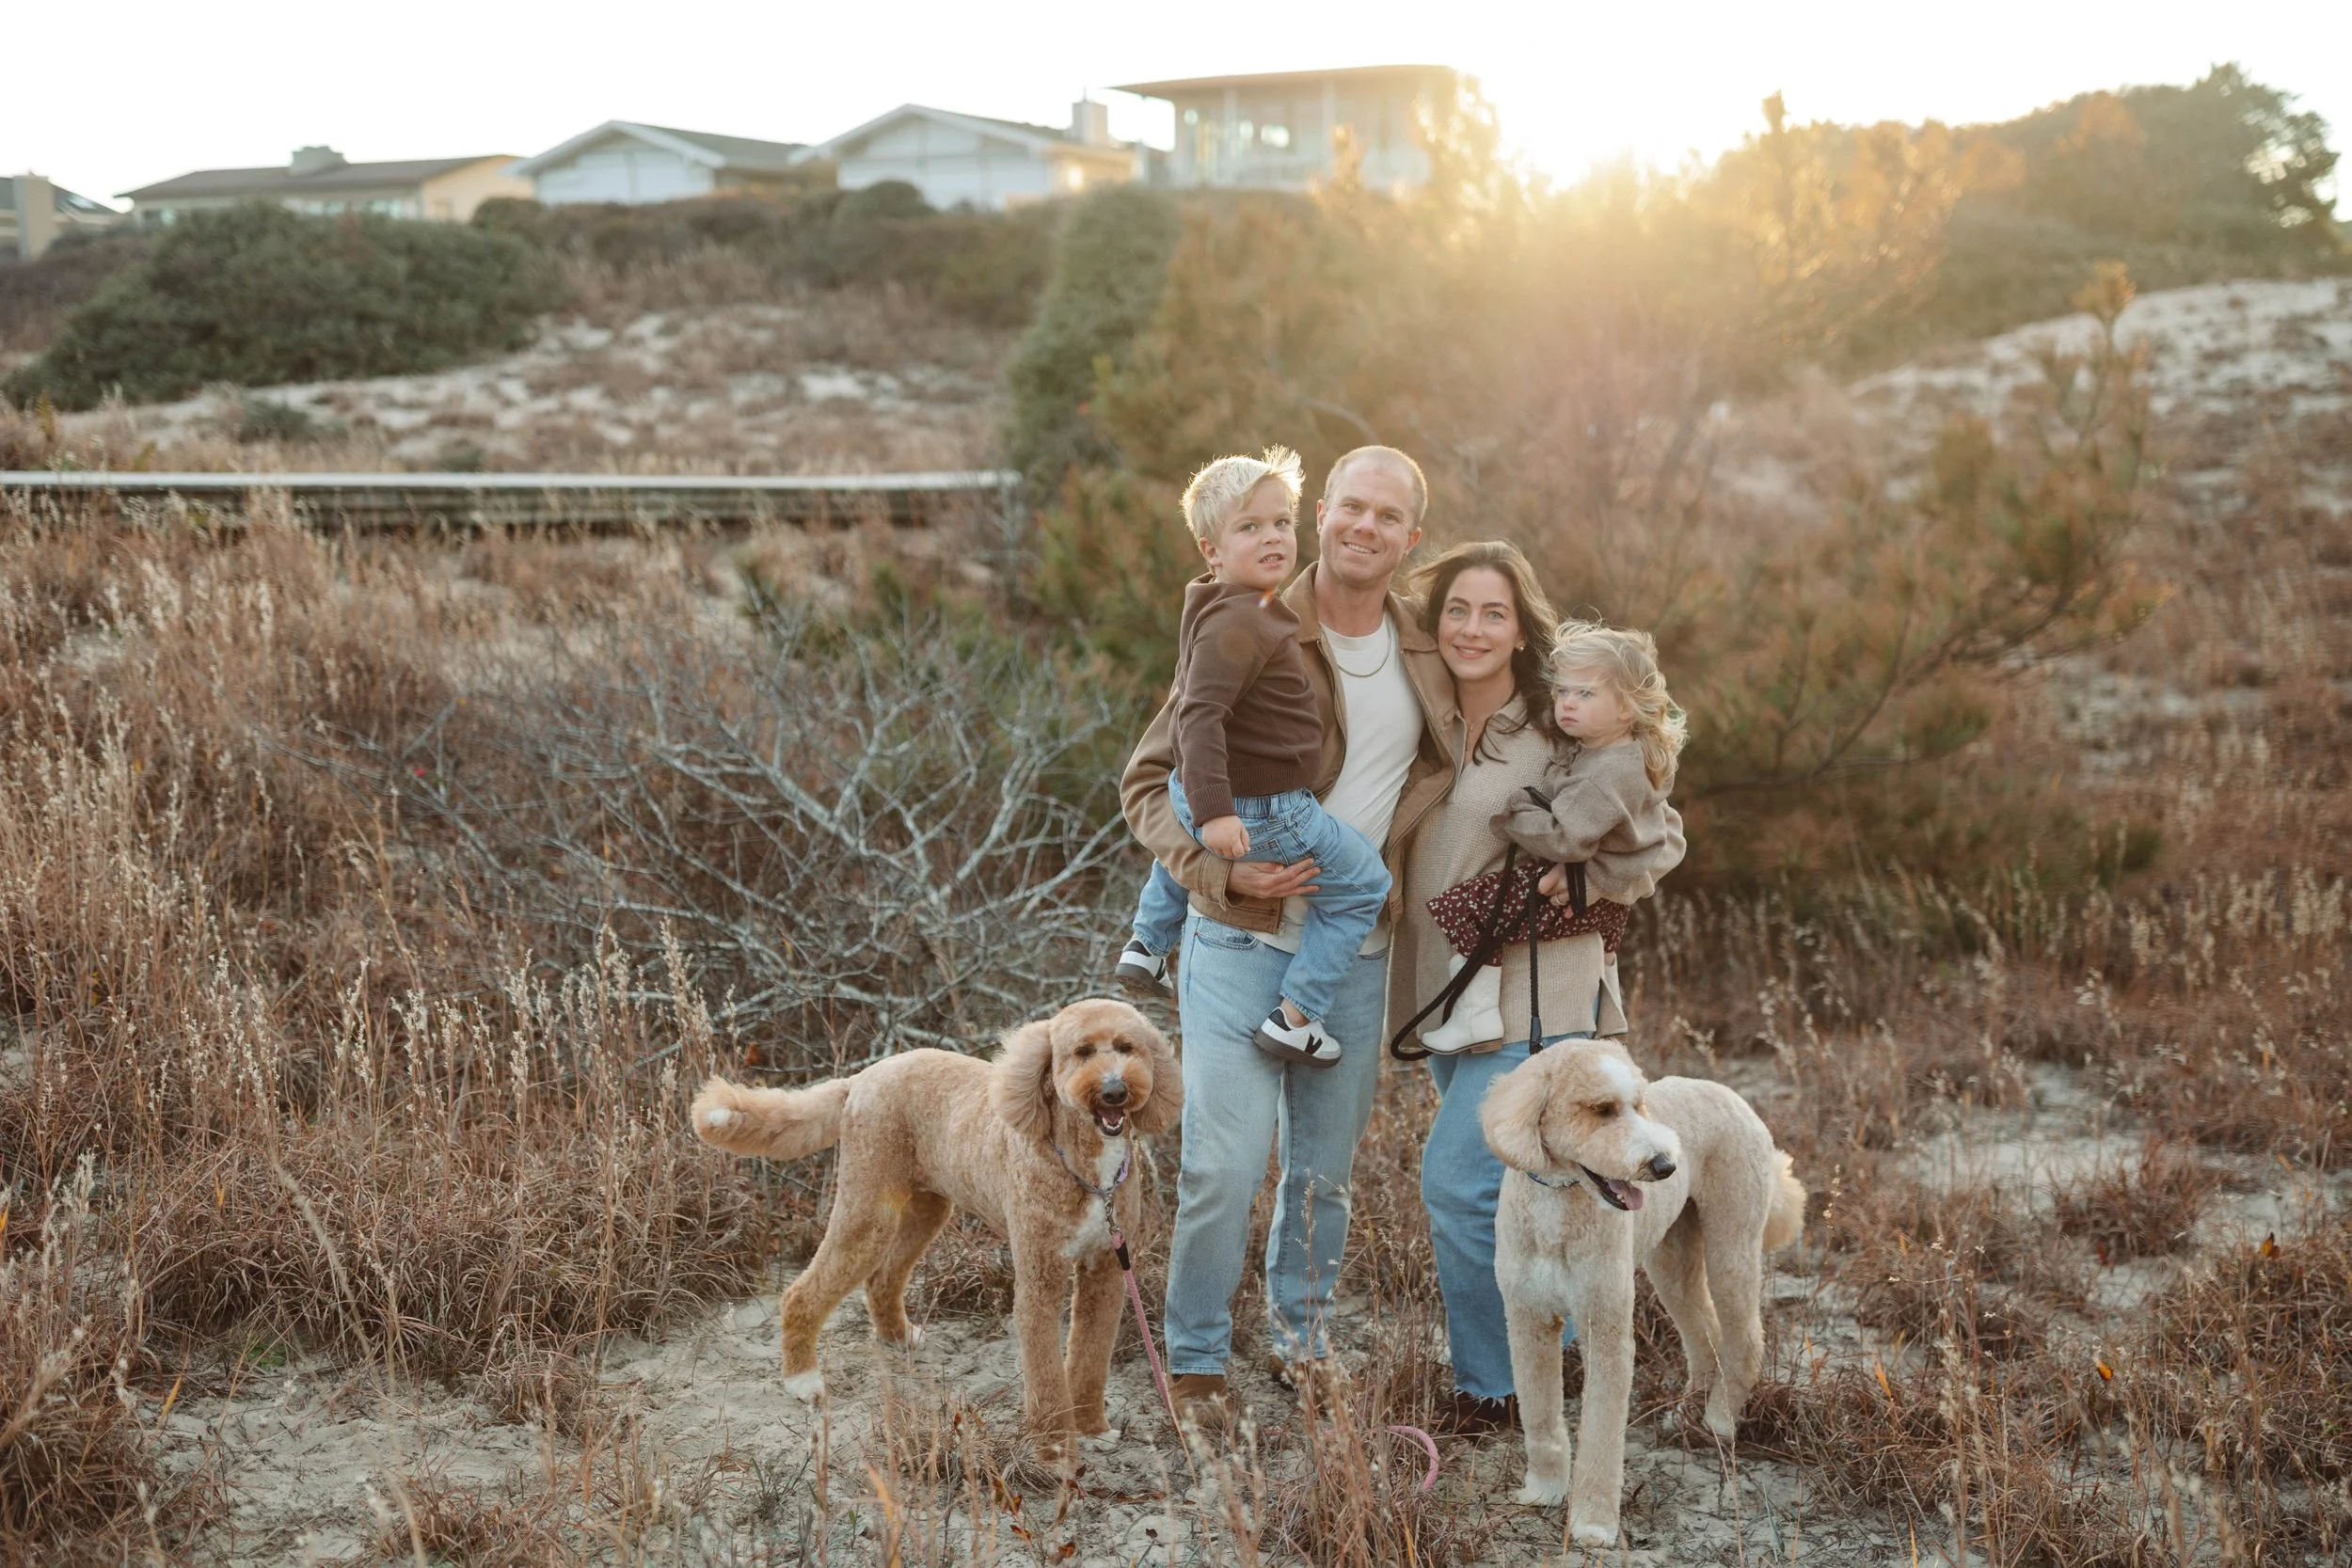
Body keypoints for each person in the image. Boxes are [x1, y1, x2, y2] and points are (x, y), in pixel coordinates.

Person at [1119, 446, 1454, 1439]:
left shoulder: (1428, 650)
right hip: (1239, 942)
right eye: (1349, 505)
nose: (1363, 526)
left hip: (1350, 957)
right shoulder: (1252, 616)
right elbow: (1149, 781)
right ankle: (1195, 1357)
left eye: (1386, 514)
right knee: (1223, 1167)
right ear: (1323, 515)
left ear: (1410, 536)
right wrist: (1217, 872)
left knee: (1322, 1175)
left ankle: (1302, 1340)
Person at [1387, 543, 1686, 1437]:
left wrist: (1595, 880)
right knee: (1523, 1190)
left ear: (1522, 630)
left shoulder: (1561, 725)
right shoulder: (1418, 716)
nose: (1472, 628)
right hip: (1445, 985)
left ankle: (1496, 1387)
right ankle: (1558, 1359)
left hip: (1539, 989)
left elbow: (1663, 833)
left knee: (1458, 1182)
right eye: (1457, 609)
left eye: (1495, 612)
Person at [1116, 448, 1392, 1067]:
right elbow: (1198, 716)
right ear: (1211, 550)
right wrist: (1216, 813)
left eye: (1280, 522)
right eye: (1249, 527)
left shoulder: (1227, 605)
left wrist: (1203, 808)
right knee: (1365, 886)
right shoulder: (1239, 620)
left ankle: (1148, 941)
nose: (1272, 537)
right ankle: (1298, 1014)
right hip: (1267, 807)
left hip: (1205, 790)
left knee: (1186, 810)